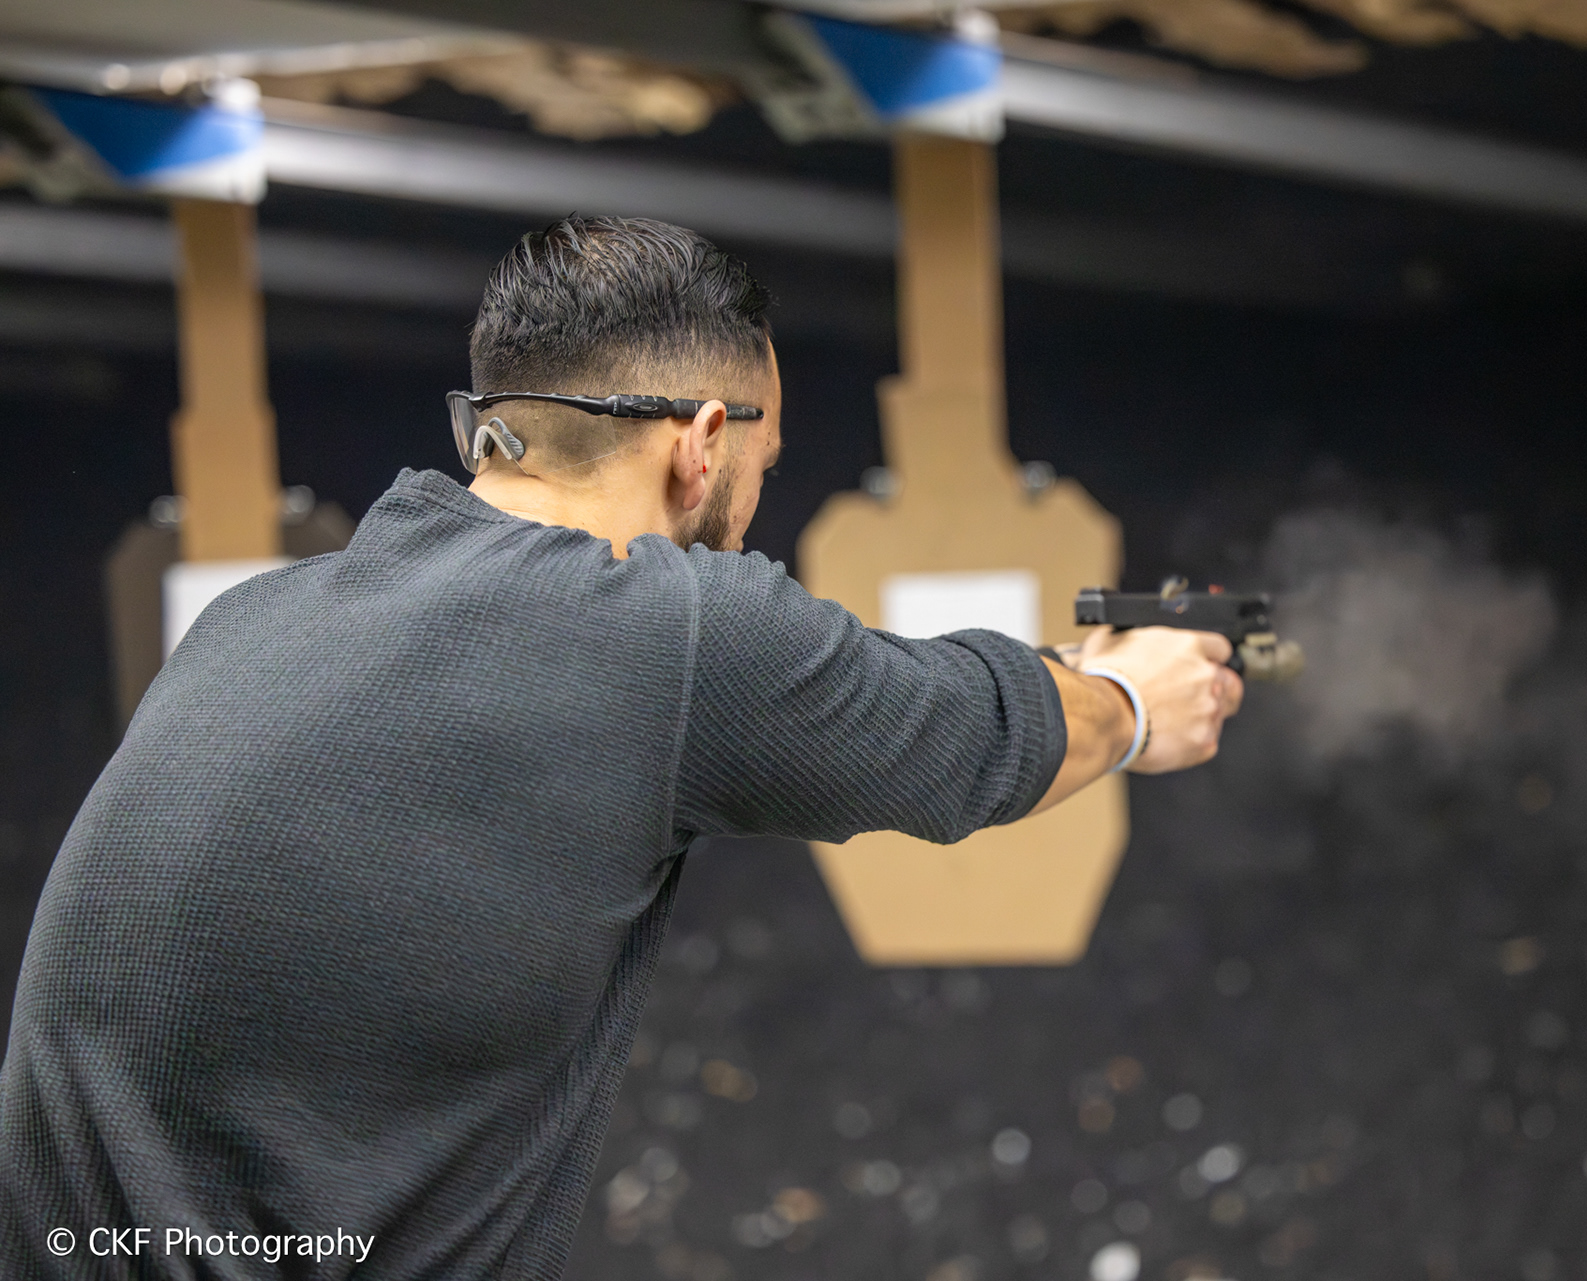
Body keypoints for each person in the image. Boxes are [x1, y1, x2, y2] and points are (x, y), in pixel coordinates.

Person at [0, 216, 1241, 1278]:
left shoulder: (256, 616)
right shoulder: (665, 624)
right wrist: (1132, 702)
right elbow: (961, 740)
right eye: (761, 464)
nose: (751, 510)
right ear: (700, 445)